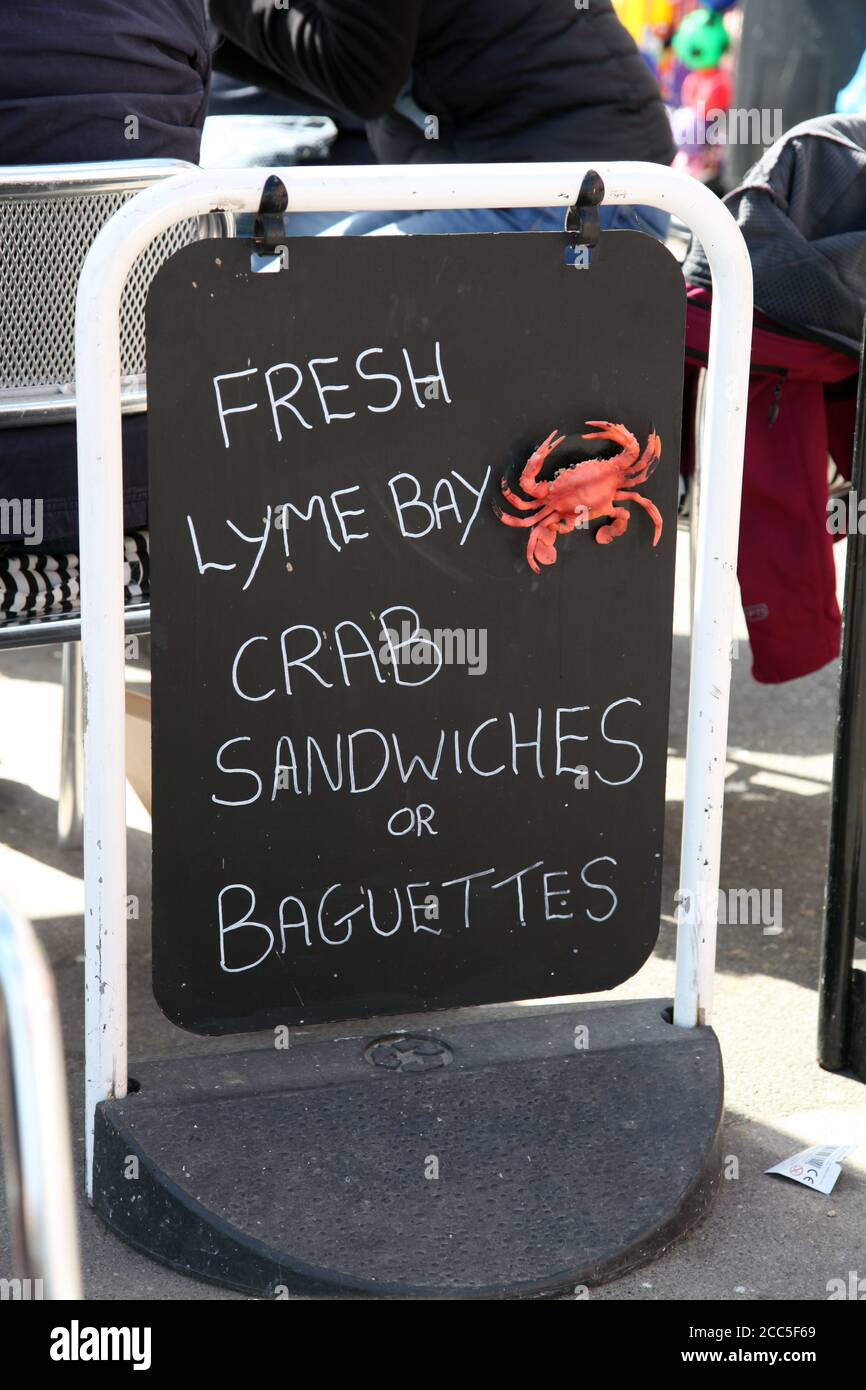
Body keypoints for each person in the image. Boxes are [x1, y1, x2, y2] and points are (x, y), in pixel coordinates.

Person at [209, 0, 675, 238]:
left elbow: (361, 76)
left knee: (297, 303)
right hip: (497, 176)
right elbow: (348, 78)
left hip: (575, 191)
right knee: (254, 269)